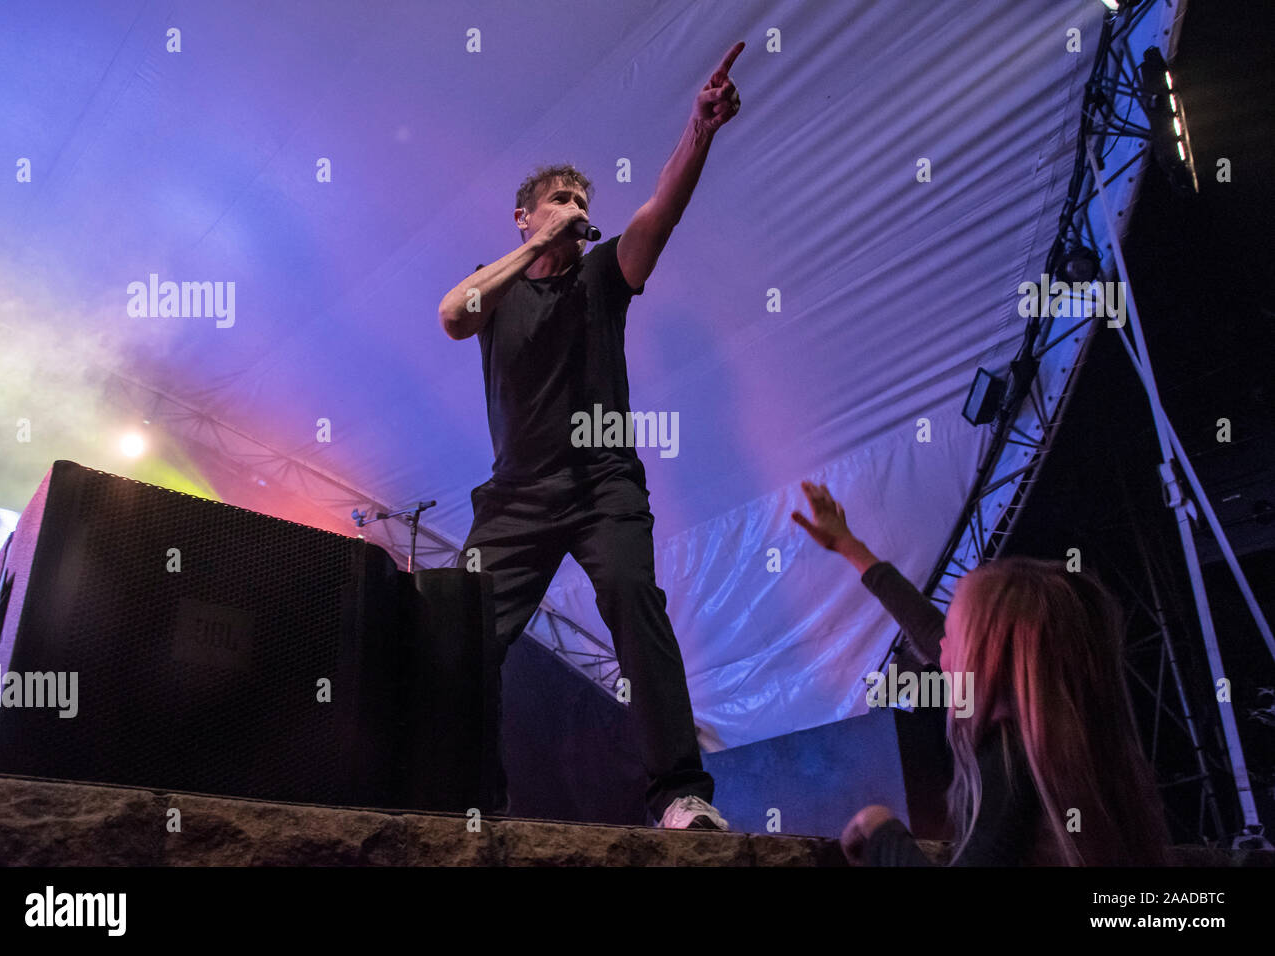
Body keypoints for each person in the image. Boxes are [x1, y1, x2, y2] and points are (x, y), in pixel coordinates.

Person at [436, 43, 746, 829]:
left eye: (583, 197)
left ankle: (679, 795)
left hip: (602, 484)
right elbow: (449, 316)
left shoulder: (603, 275)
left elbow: (658, 217)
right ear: (526, 215)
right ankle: (470, 798)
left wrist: (698, 132)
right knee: (459, 632)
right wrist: (537, 247)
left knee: (633, 598)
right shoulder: (496, 287)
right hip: (515, 495)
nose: (578, 204)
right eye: (561, 197)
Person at [791, 480, 1173, 865]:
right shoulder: (1070, 742)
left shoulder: (1010, 758)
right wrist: (849, 547)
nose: (940, 647)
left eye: (955, 637)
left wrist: (879, 829)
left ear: (990, 662)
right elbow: (927, 628)